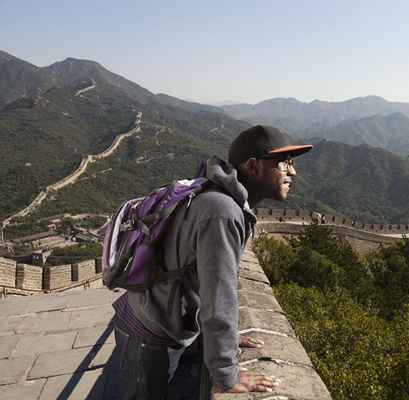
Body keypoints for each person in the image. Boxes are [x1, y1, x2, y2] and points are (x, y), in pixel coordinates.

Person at [112, 125, 313, 399]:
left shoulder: (222, 200)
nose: (293, 172)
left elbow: (196, 275)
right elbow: (219, 295)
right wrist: (227, 375)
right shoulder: (223, 212)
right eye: (284, 163)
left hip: (149, 321)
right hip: (148, 336)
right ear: (254, 167)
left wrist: (225, 341)